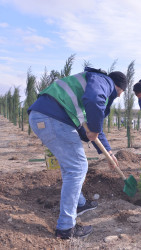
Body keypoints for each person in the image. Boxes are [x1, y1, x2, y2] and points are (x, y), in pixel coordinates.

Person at [28, 67, 127, 239]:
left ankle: (79, 204)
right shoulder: (104, 81)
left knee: (71, 167)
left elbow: (92, 129)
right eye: (120, 93)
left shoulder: (88, 86)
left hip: (42, 116)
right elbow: (95, 102)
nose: (118, 97)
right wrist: (94, 129)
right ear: (118, 87)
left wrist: (108, 152)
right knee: (78, 167)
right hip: (53, 118)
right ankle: (66, 228)